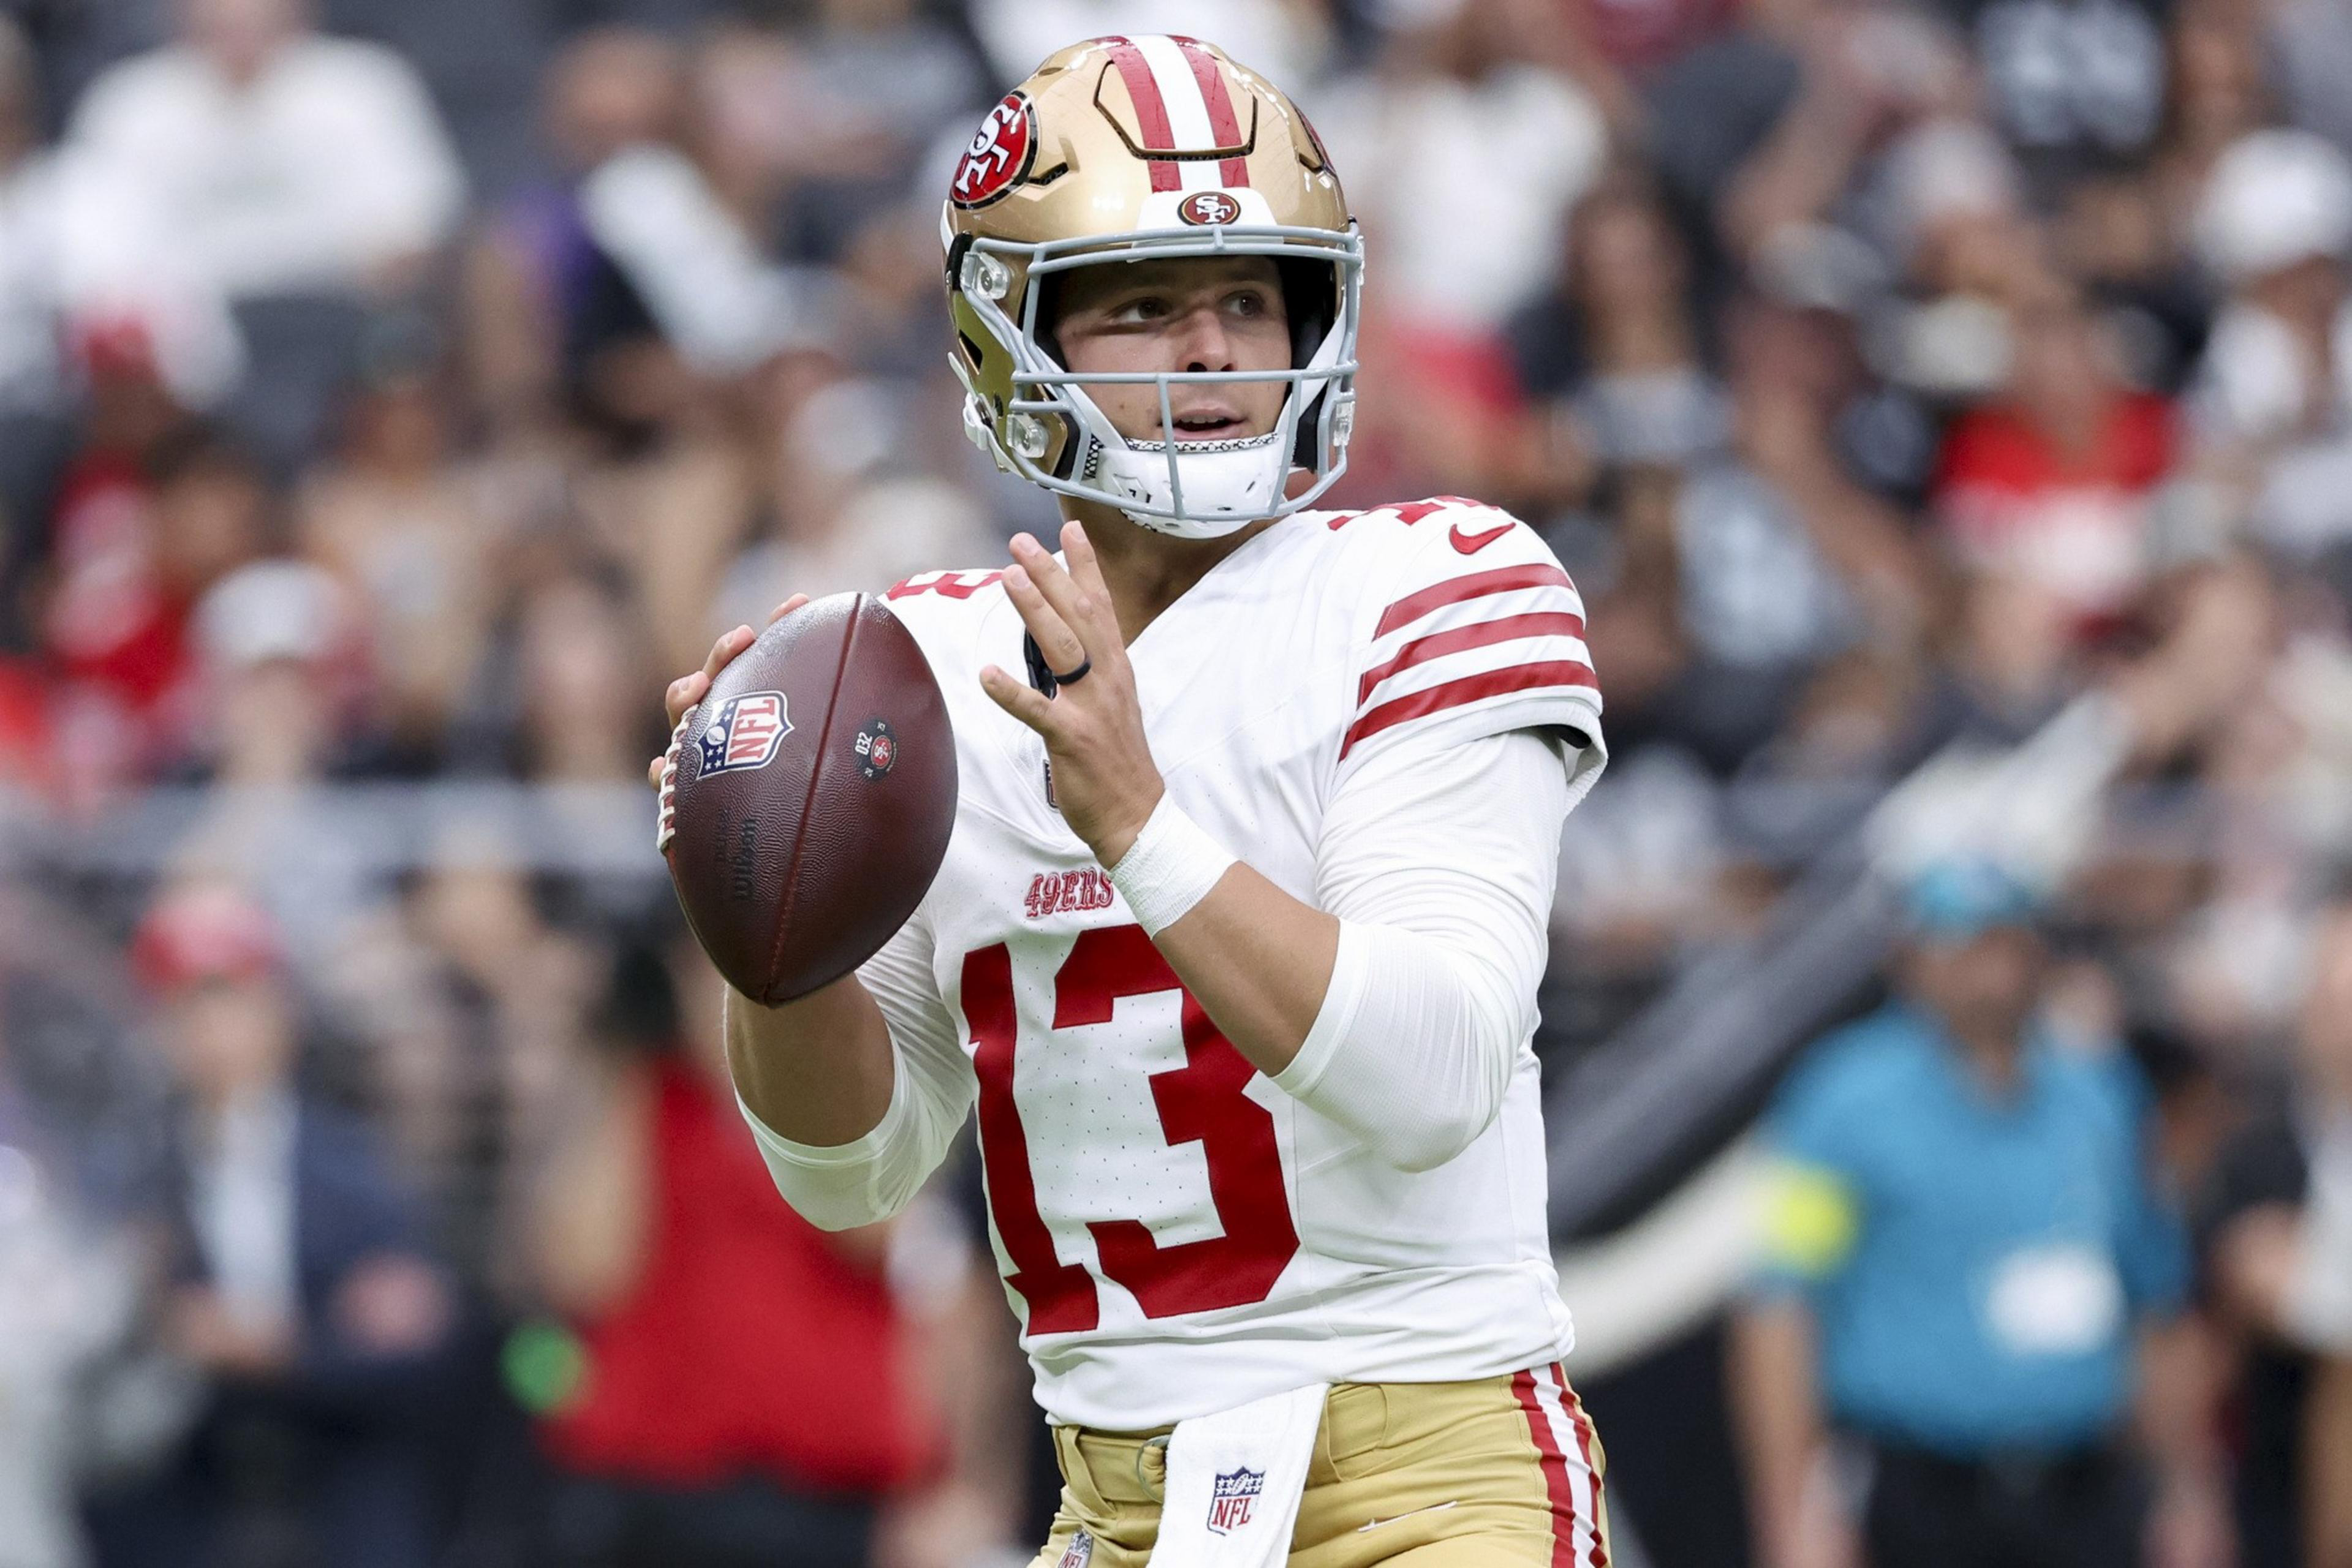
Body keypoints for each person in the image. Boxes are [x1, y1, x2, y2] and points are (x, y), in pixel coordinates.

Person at [652, 34, 1610, 1568]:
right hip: (1117, 1505)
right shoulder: (917, 665)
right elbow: (848, 1169)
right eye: (1147, 305)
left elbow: (1433, 1070)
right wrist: (767, 911)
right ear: (1007, 337)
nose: (1217, 349)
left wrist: (1136, 820)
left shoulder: (1435, 584)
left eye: (1249, 296)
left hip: (1421, 1477)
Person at [1728, 861, 2231, 1568]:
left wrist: (2186, 1490)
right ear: (1912, 959)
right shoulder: (1840, 1103)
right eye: (1961, 943)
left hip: (2081, 1485)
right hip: (1921, 1489)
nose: (1987, 965)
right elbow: (1780, 1306)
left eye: (2003, 939)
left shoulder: (2097, 1097)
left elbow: (2156, 1299)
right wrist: (1792, 1512)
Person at [88, 883, 452, 1568]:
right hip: (183, 1485)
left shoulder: (355, 1163)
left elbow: (410, 1329)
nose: (210, 1030)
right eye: (184, 1006)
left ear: (279, 1008)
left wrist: (284, 1346)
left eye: (229, 999)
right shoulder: (130, 1171)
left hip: (337, 1474)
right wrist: (165, 1320)